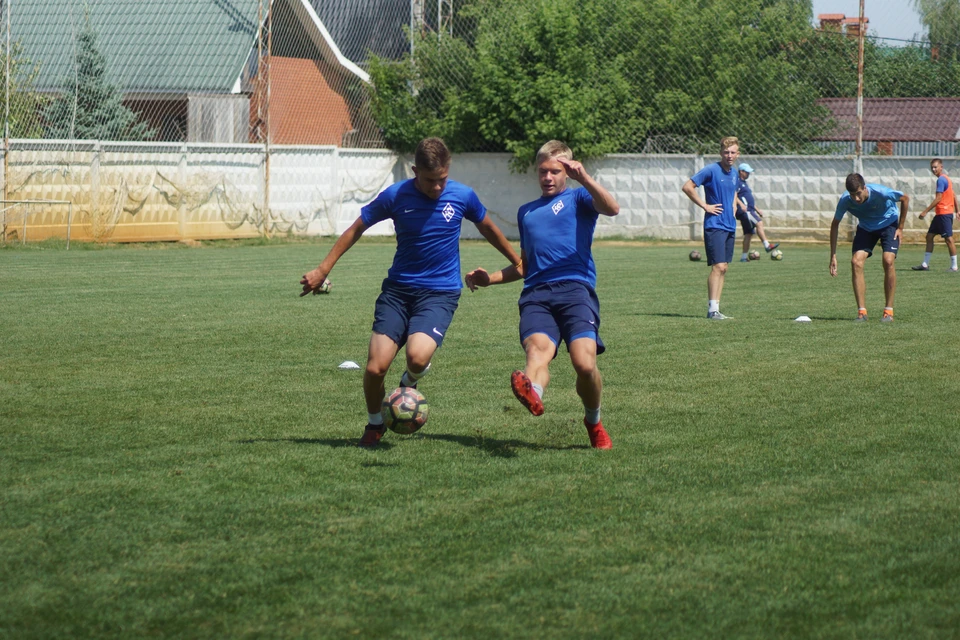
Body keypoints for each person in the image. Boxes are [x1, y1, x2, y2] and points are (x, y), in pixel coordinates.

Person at [300, 137, 520, 447]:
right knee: (376, 368)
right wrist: (323, 269)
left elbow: (487, 227)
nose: (437, 187)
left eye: (442, 179)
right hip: (398, 294)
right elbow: (356, 228)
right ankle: (375, 423)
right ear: (415, 171)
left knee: (416, 358)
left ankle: (410, 381)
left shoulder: (462, 196)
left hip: (439, 294)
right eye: (430, 180)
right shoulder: (395, 196)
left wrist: (517, 260)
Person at [464, 140, 619, 449]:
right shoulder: (527, 213)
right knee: (537, 352)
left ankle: (593, 421)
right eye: (542, 171)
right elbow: (525, 266)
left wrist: (585, 178)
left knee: (585, 364)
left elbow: (612, 208)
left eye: (555, 171)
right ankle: (533, 391)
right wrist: (490, 278)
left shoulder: (579, 199)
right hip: (536, 295)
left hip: (576, 290)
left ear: (567, 172)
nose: (547, 177)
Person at [830, 173, 909, 323]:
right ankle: (862, 313)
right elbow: (835, 224)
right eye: (852, 195)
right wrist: (833, 255)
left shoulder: (881, 192)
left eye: (858, 193)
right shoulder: (845, 200)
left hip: (888, 224)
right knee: (856, 262)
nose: (856, 199)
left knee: (888, 260)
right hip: (866, 228)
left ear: (864, 188)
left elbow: (905, 199)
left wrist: (901, 228)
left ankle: (888, 312)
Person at [682, 136, 742, 319]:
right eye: (726, 152)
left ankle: (716, 309)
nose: (729, 155)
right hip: (714, 225)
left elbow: (733, 193)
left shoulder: (734, 173)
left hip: (729, 225)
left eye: (732, 152)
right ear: (720, 153)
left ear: (737, 154)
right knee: (718, 266)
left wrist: (734, 207)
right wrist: (705, 206)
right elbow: (687, 187)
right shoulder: (711, 170)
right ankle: (712, 310)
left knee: (724, 268)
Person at [911, 158, 958, 272]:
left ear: (941, 167)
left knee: (948, 239)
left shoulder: (941, 180)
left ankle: (954, 266)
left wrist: (925, 211)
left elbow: (938, 198)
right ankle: (925, 264)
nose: (933, 169)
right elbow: (953, 195)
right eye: (932, 167)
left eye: (935, 167)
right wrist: (958, 210)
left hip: (944, 214)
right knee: (929, 236)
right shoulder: (946, 179)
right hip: (941, 214)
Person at [734, 163, 779, 262]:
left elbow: (747, 198)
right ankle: (767, 245)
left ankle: (743, 257)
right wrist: (741, 205)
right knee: (759, 223)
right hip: (746, 211)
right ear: (741, 171)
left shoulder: (744, 183)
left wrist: (757, 209)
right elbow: (734, 195)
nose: (748, 174)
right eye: (747, 172)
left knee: (748, 234)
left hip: (749, 210)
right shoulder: (737, 182)